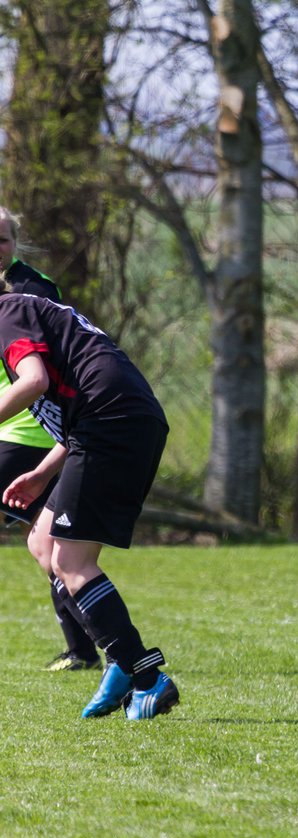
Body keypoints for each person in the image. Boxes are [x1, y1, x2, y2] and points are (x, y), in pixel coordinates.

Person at [0, 283, 178, 720]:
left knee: (71, 560)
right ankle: (119, 658)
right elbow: (79, 391)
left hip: (112, 425)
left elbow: (34, 380)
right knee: (43, 542)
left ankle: (145, 676)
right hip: (113, 423)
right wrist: (44, 472)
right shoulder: (23, 308)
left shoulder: (6, 313)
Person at [0, 207, 100, 672]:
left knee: (51, 544)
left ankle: (89, 646)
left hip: (25, 429)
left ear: (15, 243)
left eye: (1, 239)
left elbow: (35, 374)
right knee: (45, 544)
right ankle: (83, 647)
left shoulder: (27, 291)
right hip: (19, 428)